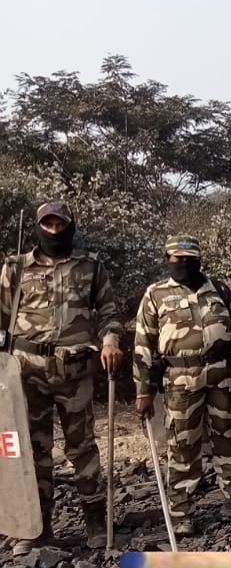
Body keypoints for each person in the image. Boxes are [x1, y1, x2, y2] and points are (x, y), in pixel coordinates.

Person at [0, 201, 122, 555]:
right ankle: (36, 527)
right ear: (38, 227)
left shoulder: (90, 267)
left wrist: (110, 341)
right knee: (31, 451)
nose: (54, 230)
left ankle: (96, 522)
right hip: (25, 375)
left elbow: (109, 313)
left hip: (74, 372)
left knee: (82, 448)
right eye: (48, 224)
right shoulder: (15, 268)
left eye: (60, 225)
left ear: (70, 227)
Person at [133, 235, 231, 535]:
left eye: (189, 259)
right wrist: (143, 390)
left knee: (229, 439)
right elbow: (143, 345)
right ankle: (181, 513)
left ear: (199, 259)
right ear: (168, 259)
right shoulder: (155, 295)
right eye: (178, 259)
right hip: (179, 379)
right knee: (182, 445)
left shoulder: (220, 291)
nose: (184, 264)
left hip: (222, 376)